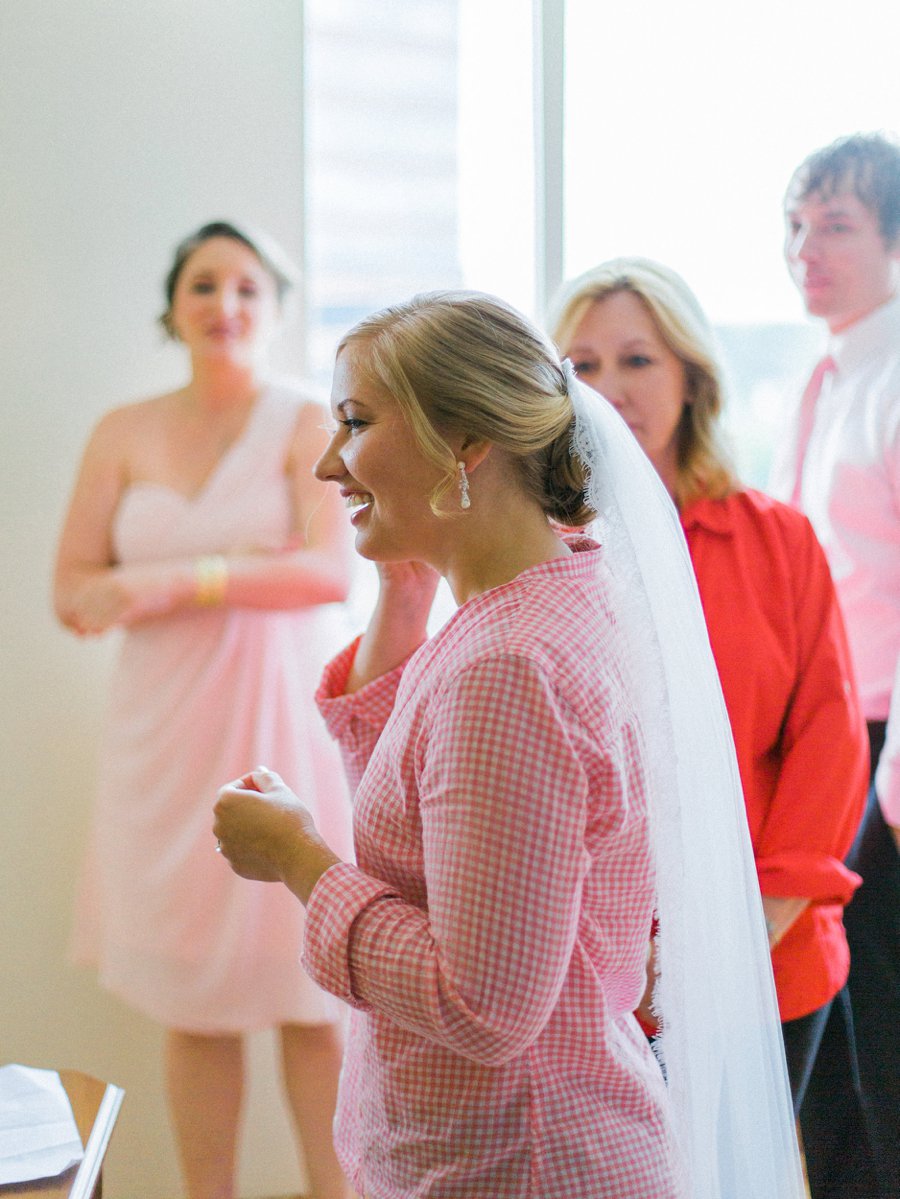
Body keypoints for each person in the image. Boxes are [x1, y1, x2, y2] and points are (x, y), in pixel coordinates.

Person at [213, 290, 807, 1199]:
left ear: (465, 444)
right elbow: (428, 828)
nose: (330, 463)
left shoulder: (507, 668)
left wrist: (298, 860)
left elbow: (481, 1007)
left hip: (518, 1163)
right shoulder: (548, 599)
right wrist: (405, 589)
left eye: (356, 422)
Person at [54, 221, 355, 1199]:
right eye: (203, 285)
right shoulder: (123, 430)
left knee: (312, 995)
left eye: (246, 288)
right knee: (196, 999)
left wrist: (183, 578)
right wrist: (132, 591)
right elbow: (74, 588)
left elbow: (327, 568)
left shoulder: (307, 420)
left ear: (273, 308)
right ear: (173, 305)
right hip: (165, 734)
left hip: (279, 723)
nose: (224, 305)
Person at [549, 257, 870, 1118]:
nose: (607, 386)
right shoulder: (535, 552)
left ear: (691, 377)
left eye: (637, 359)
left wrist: (753, 919)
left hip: (765, 946)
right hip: (593, 972)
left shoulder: (778, 539)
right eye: (581, 365)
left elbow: (829, 733)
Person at [770, 133, 900, 1199]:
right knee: (835, 1018)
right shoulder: (823, 370)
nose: (806, 247)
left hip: (886, 744)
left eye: (838, 225)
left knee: (884, 1024)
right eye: (796, 225)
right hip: (830, 735)